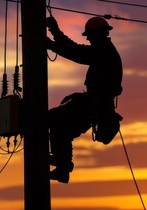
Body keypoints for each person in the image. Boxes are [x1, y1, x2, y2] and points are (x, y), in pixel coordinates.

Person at [46, 16, 123, 183]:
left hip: (97, 105)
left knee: (61, 124)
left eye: (89, 35)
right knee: (51, 118)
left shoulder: (104, 51)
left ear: (98, 34)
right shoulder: (102, 50)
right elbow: (76, 49)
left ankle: (63, 166)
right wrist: (55, 32)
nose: (87, 38)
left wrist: (52, 44)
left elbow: (77, 53)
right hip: (92, 103)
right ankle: (60, 158)